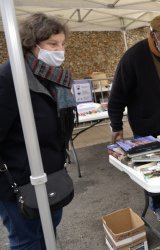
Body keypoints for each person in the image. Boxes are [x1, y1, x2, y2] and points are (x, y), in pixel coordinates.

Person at [0, 13, 75, 249]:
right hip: (19, 183)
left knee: (48, 234)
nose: (60, 50)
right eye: (52, 44)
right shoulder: (10, 78)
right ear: (32, 45)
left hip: (51, 176)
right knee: (27, 241)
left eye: (62, 44)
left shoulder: (50, 77)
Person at [108, 14, 160, 224]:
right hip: (145, 126)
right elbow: (117, 95)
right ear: (152, 34)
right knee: (154, 171)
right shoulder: (134, 56)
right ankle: (158, 206)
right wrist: (116, 125)